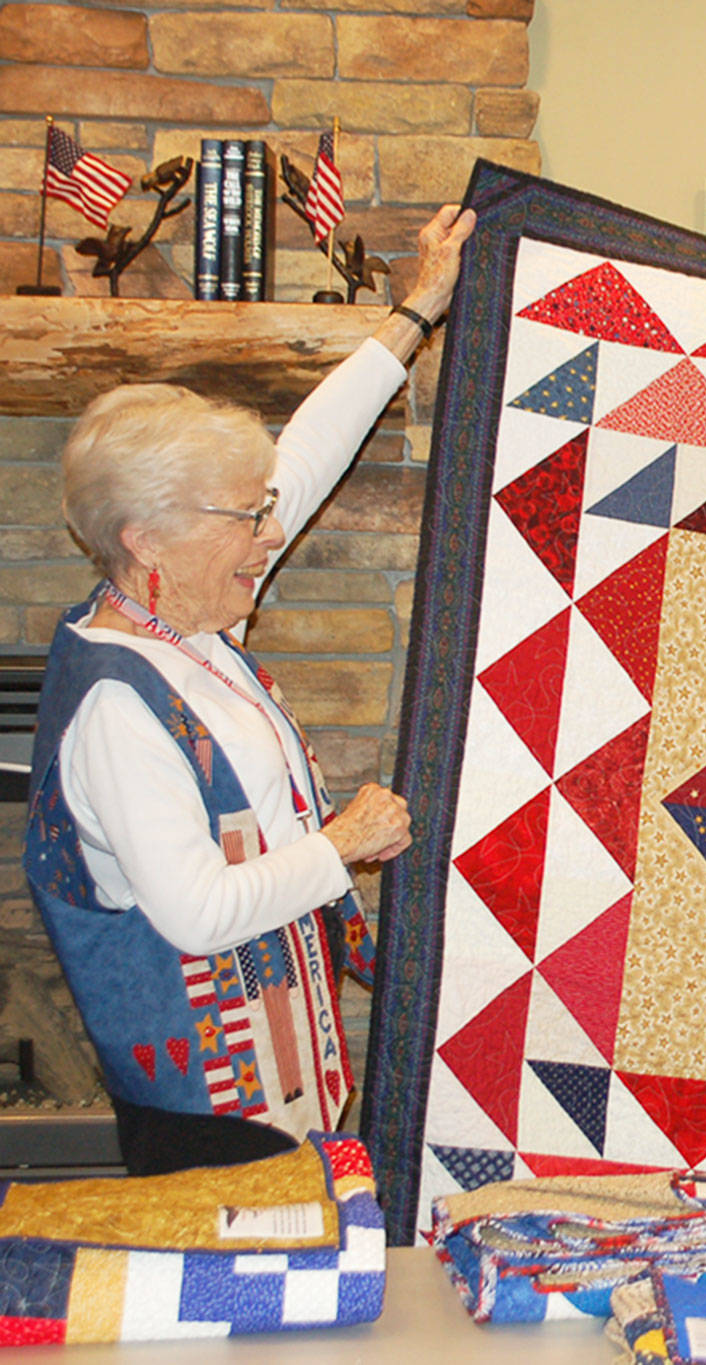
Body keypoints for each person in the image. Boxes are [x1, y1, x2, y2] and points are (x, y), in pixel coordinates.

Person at [22, 204, 476, 1176]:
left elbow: (307, 455)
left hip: (283, 1074)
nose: (270, 536)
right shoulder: (114, 705)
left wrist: (416, 312)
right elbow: (194, 913)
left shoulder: (194, 613)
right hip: (208, 1117)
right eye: (245, 518)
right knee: (244, 1314)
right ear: (147, 537)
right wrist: (340, 845)